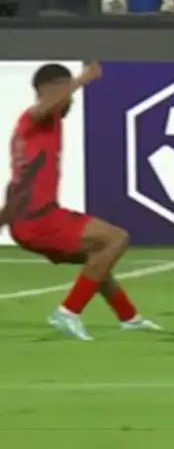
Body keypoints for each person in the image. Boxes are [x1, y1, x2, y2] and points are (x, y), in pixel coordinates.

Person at [3, 62, 160, 340]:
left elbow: (18, 183)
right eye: (64, 90)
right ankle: (68, 311)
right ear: (45, 90)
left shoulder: (36, 128)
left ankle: (129, 317)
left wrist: (5, 218)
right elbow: (44, 107)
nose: (70, 98)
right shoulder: (33, 118)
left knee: (98, 257)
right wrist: (83, 78)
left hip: (28, 221)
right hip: (41, 220)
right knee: (115, 239)